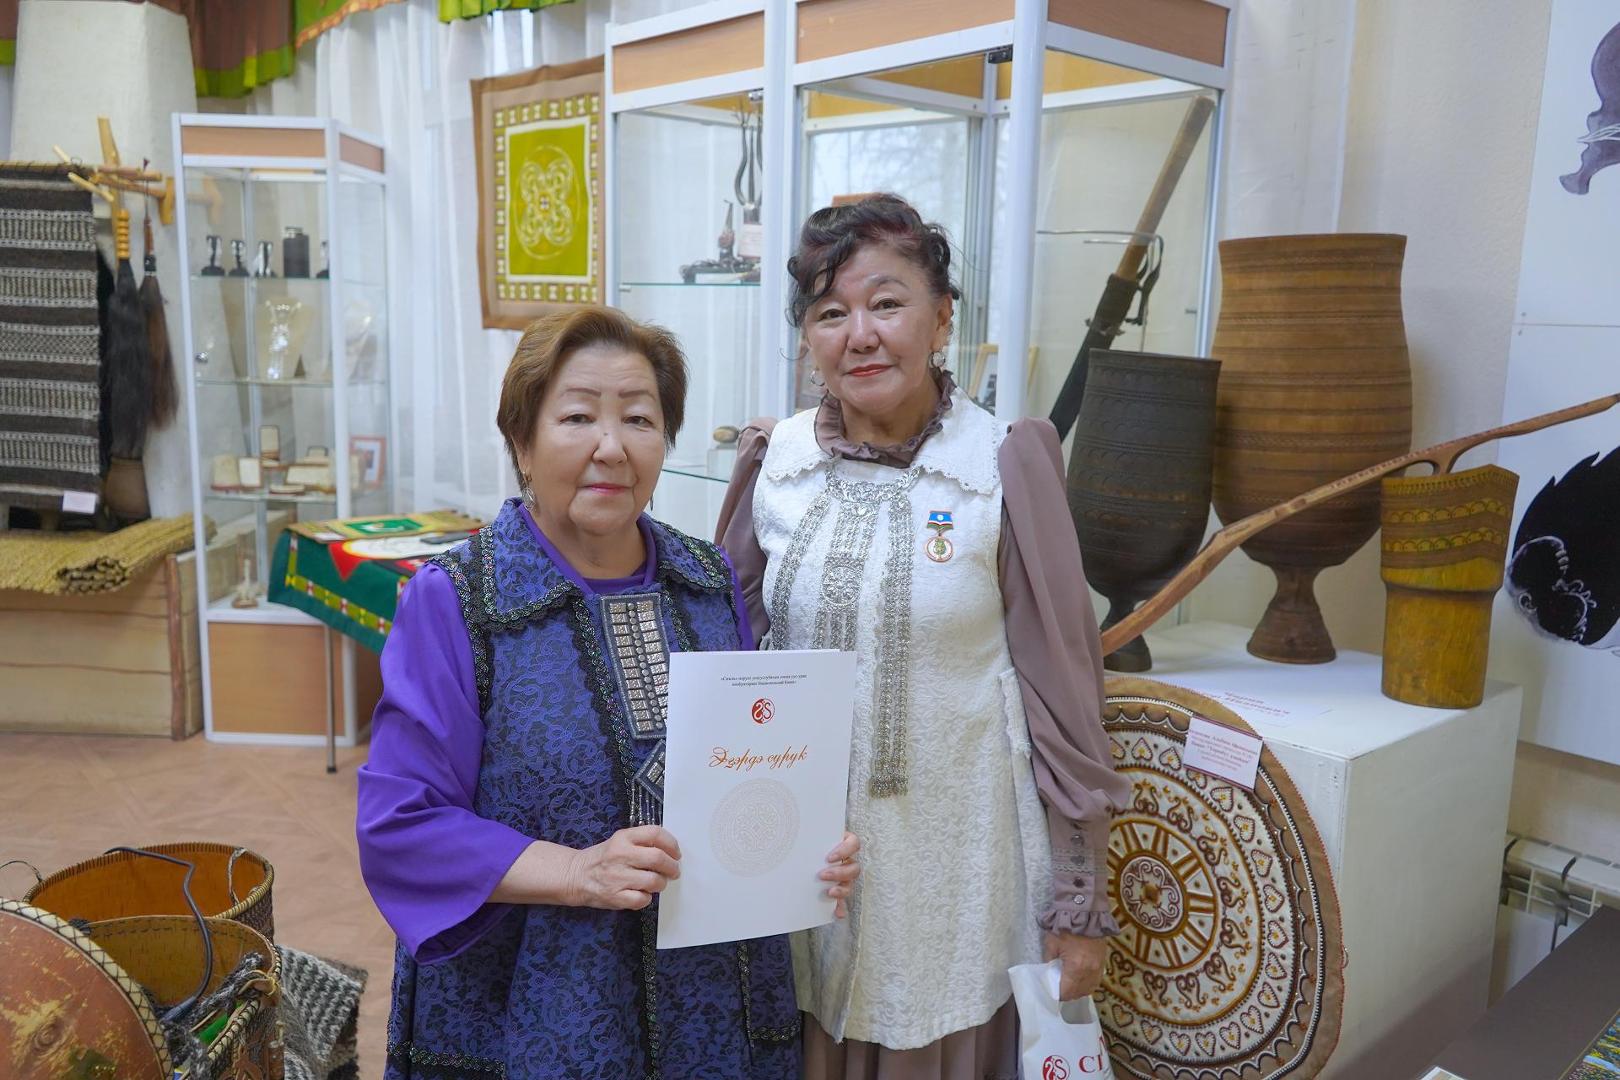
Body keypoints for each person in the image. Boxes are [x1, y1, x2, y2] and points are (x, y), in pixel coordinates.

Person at [358, 306, 860, 1079]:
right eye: (577, 417)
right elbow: (402, 826)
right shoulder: (461, 599)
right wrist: (576, 873)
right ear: (522, 442)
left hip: (707, 1002)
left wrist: (798, 849)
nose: (612, 447)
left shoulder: (706, 581)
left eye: (638, 419)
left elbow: (741, 771)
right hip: (535, 1005)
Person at [717, 195, 1131, 1078]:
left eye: (886, 303)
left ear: (942, 318)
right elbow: (726, 665)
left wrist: (1079, 900)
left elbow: (1064, 697)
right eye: (830, 313)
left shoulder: (1002, 462)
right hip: (805, 870)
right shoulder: (774, 462)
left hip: (962, 868)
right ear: (807, 338)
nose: (860, 335)